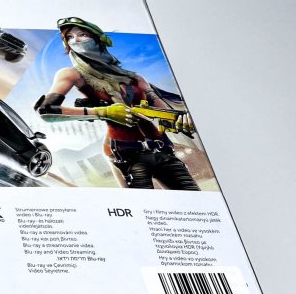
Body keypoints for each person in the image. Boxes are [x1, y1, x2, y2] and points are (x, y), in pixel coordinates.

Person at [34, 16, 199, 190]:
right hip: (125, 154)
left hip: (163, 150)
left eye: (82, 34)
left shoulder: (135, 78)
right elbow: (47, 111)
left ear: (98, 39)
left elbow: (165, 113)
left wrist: (180, 120)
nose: (75, 40)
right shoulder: (71, 74)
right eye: (69, 37)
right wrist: (104, 113)